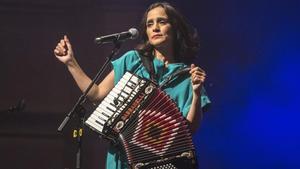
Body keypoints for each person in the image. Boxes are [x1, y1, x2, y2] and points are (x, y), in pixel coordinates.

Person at [54, 2, 210, 169]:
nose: (155, 28)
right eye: (150, 24)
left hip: (163, 162)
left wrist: (196, 93)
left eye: (162, 22)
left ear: (175, 28)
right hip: (122, 159)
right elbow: (97, 94)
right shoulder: (132, 60)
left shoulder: (187, 77)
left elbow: (188, 130)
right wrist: (71, 62)